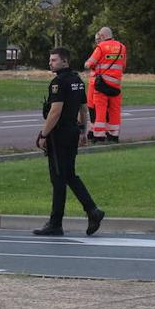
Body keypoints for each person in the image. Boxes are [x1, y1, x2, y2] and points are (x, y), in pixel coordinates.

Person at [33, 47, 104, 237]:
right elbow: (83, 108)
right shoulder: (77, 81)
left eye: (54, 60)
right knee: (69, 175)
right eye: (50, 59)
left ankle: (56, 223)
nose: (50, 63)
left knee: (58, 178)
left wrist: (44, 134)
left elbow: (55, 111)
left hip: (60, 135)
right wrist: (83, 131)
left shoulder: (58, 82)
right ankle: (93, 211)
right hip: (72, 132)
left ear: (65, 61)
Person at [85, 26, 127, 143]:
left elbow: (89, 64)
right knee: (114, 110)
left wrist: (92, 64)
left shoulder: (101, 47)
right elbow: (123, 66)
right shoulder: (122, 47)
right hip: (116, 85)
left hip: (101, 85)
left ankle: (99, 135)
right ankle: (114, 135)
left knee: (100, 110)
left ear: (102, 36)